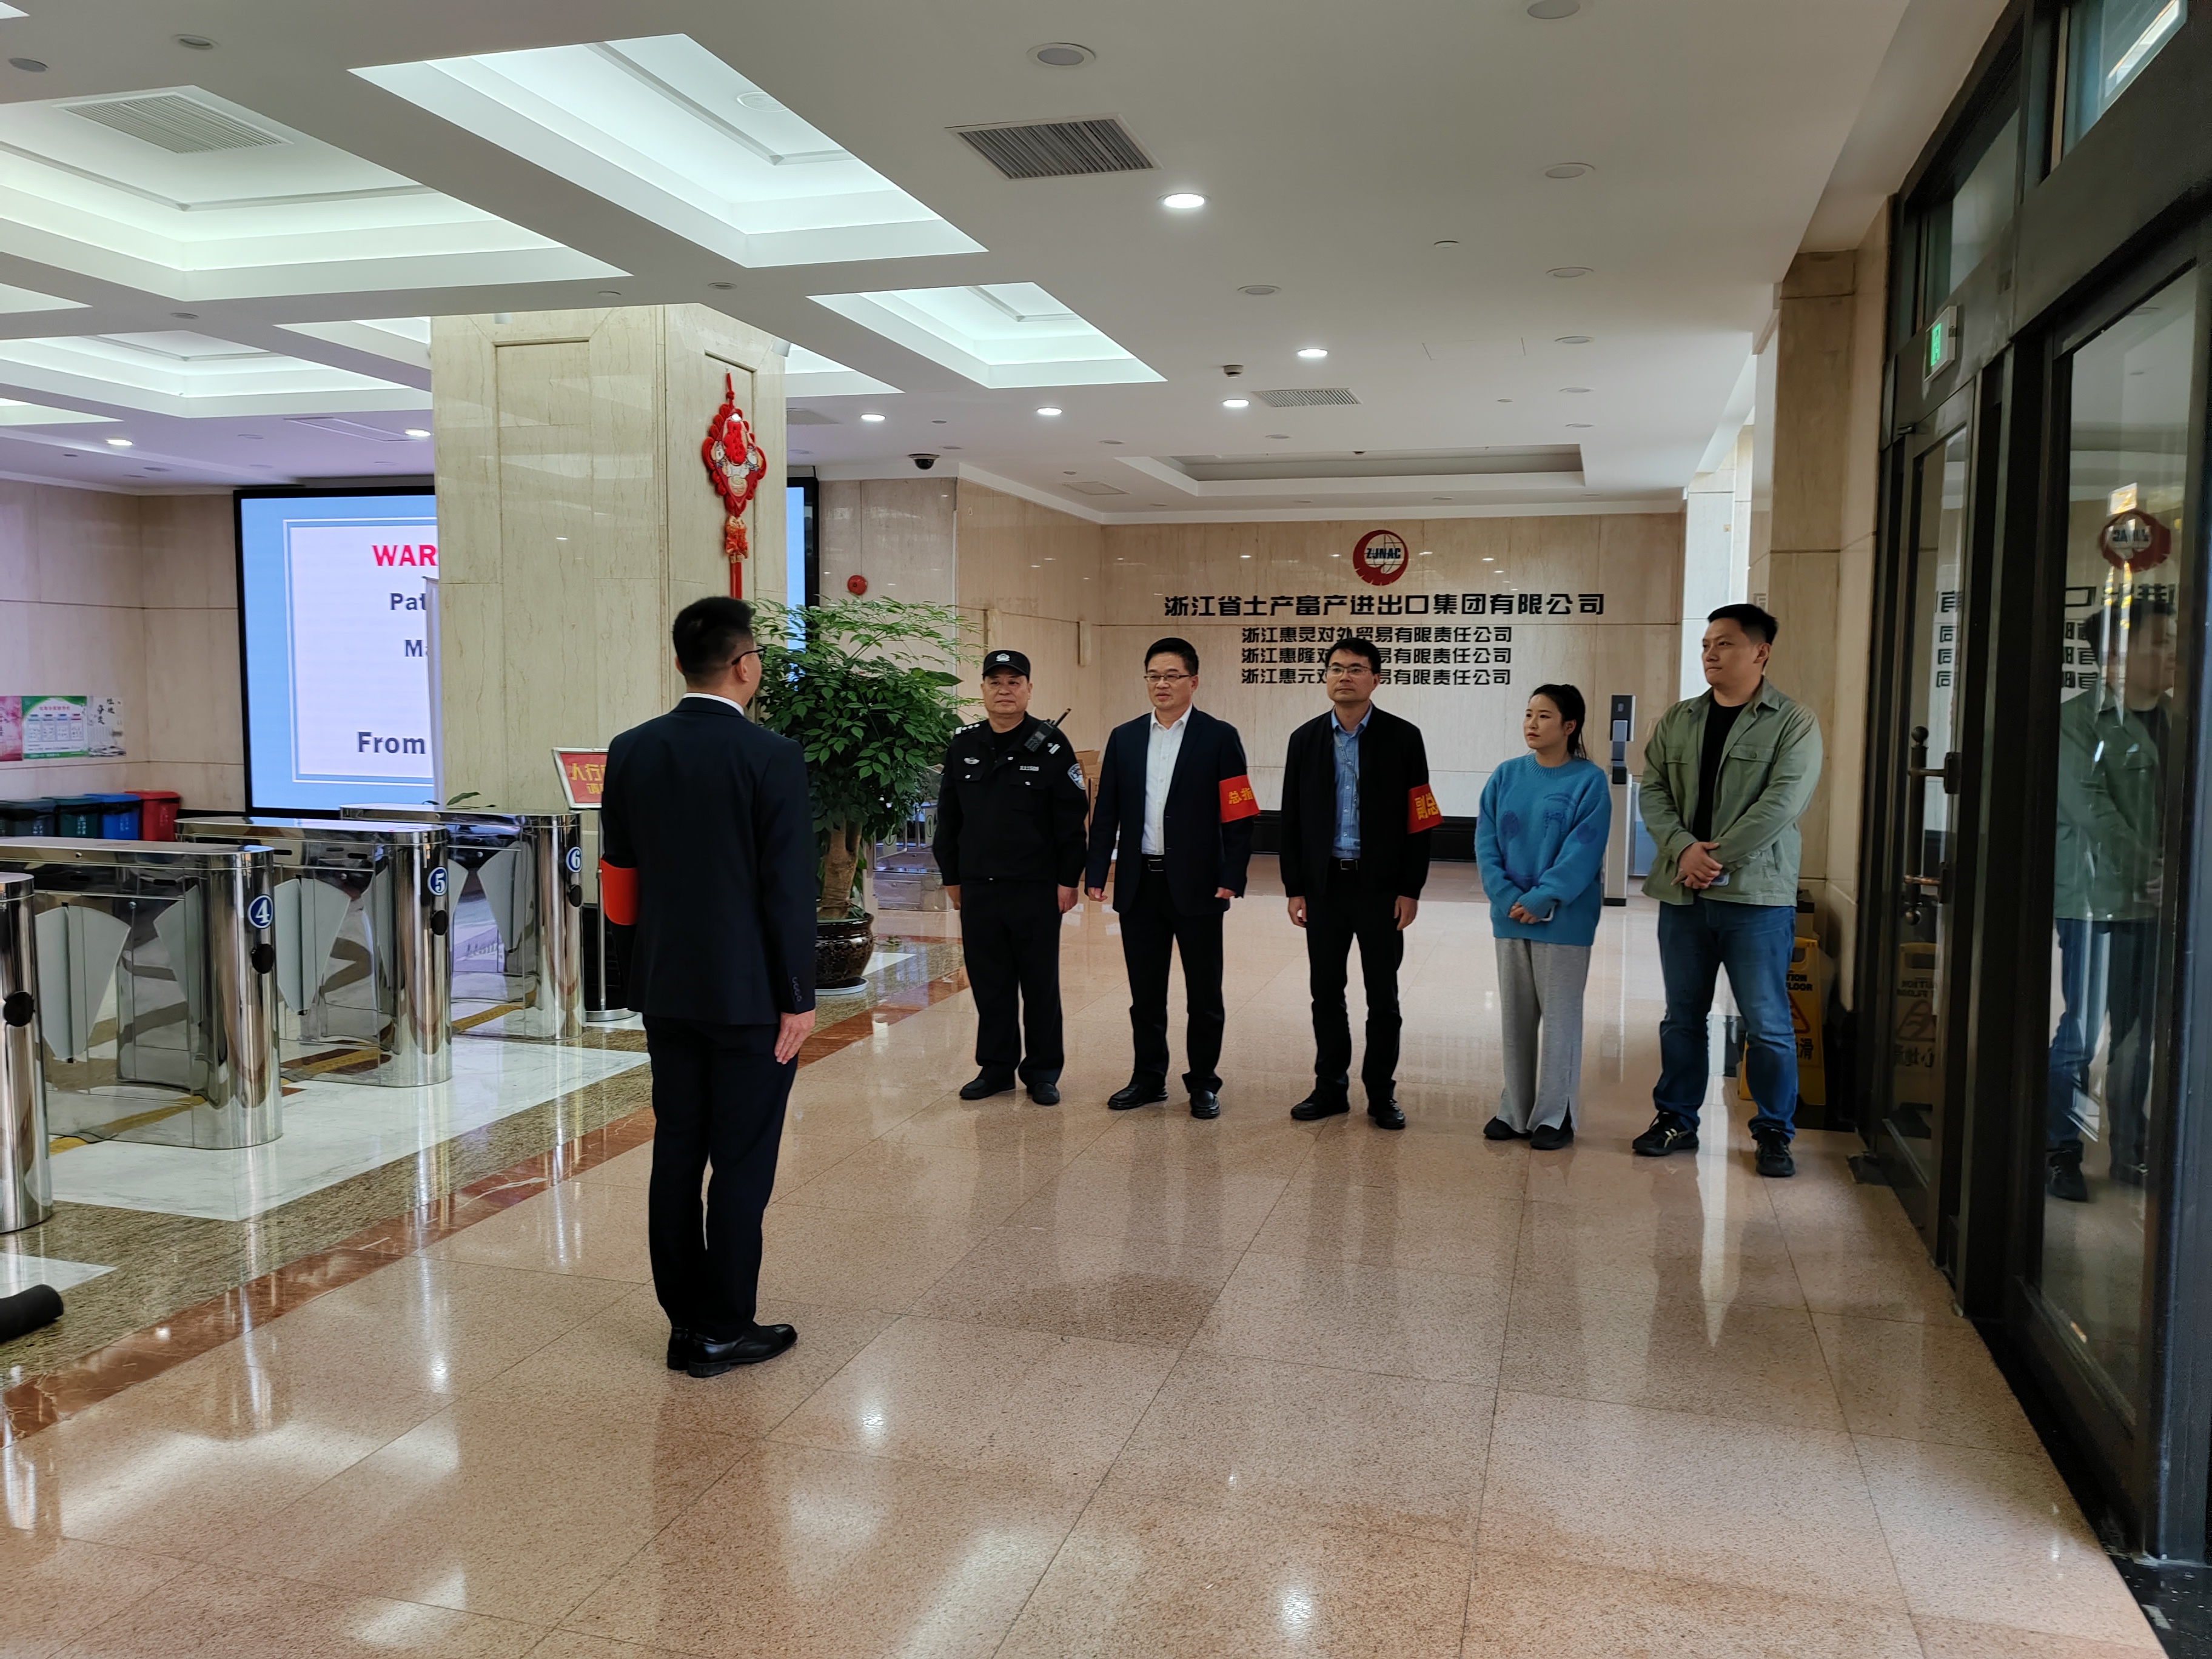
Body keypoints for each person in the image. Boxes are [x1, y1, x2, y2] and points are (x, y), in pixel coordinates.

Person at [599, 596, 816, 1377]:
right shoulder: (771, 756)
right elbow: (785, 889)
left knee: (678, 1151)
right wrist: (798, 996)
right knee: (743, 1161)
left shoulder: (630, 750)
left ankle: (684, 1324)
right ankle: (725, 1328)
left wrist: (635, 971)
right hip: (749, 997)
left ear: (681, 665)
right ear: (745, 666)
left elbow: (618, 875)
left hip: (667, 989)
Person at [1634, 603, 1823, 1178]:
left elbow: (1782, 804)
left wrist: (1710, 859)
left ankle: (1773, 1133)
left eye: (1725, 643)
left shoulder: (1793, 722)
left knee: (1767, 1024)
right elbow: (1653, 790)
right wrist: (1683, 849)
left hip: (1755, 899)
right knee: (1682, 1017)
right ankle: (1676, 1119)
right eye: (1706, 644)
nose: (1711, 654)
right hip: (1684, 895)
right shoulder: (1680, 718)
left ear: (1760, 652)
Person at [1084, 637, 1256, 1118]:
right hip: (1140, 883)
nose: (1162, 684)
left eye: (1172, 676)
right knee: (1145, 995)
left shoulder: (1219, 737)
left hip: (1200, 884)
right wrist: (1096, 870)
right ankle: (1148, 1078)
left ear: (1193, 682)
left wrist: (1232, 873)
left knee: (1204, 995)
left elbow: (1239, 813)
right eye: (1154, 676)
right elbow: (1107, 811)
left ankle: (1203, 1083)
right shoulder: (1125, 737)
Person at [1277, 635, 1437, 1130]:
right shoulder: (1304, 739)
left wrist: (1411, 888)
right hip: (1324, 886)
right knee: (1326, 993)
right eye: (1335, 668)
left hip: (1381, 889)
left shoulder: (1403, 737)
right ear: (1325, 677)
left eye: (1355, 669)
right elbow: (1291, 818)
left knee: (1382, 998)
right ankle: (1330, 1088)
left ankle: (1382, 1094)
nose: (1343, 676)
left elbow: (1421, 817)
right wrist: (1295, 887)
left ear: (1376, 679)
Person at [2046, 599, 2173, 1201]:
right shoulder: (2078, 722)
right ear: (2117, 657)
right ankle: (2059, 1150)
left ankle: (2132, 1151)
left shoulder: (2180, 720)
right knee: (2083, 1032)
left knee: (2140, 1035)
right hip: (2097, 903)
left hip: (2162, 905)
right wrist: (2157, 870)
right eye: (2159, 642)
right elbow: (2092, 812)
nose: (2172, 653)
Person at [934, 648, 1090, 1106]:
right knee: (990, 983)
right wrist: (952, 877)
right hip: (979, 886)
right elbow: (949, 818)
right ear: (983, 690)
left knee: (1040, 984)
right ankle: (996, 1068)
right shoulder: (964, 745)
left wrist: (1069, 879)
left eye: (1014, 682)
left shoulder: (1052, 744)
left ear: (1029, 689)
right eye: (996, 682)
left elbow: (1071, 819)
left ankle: (1042, 1071)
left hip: (1036, 887)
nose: (1005, 690)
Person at [1475, 685, 1611, 1149]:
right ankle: (1514, 1111)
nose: (1532, 724)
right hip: (1509, 913)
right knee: (1515, 1019)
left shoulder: (1589, 781)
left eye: (1545, 716)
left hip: (1564, 919)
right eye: (1529, 714)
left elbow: (1584, 849)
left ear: (1570, 726)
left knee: (1559, 1021)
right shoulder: (1506, 775)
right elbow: (1486, 840)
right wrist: (1505, 895)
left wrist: (1543, 898)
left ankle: (1556, 1115)